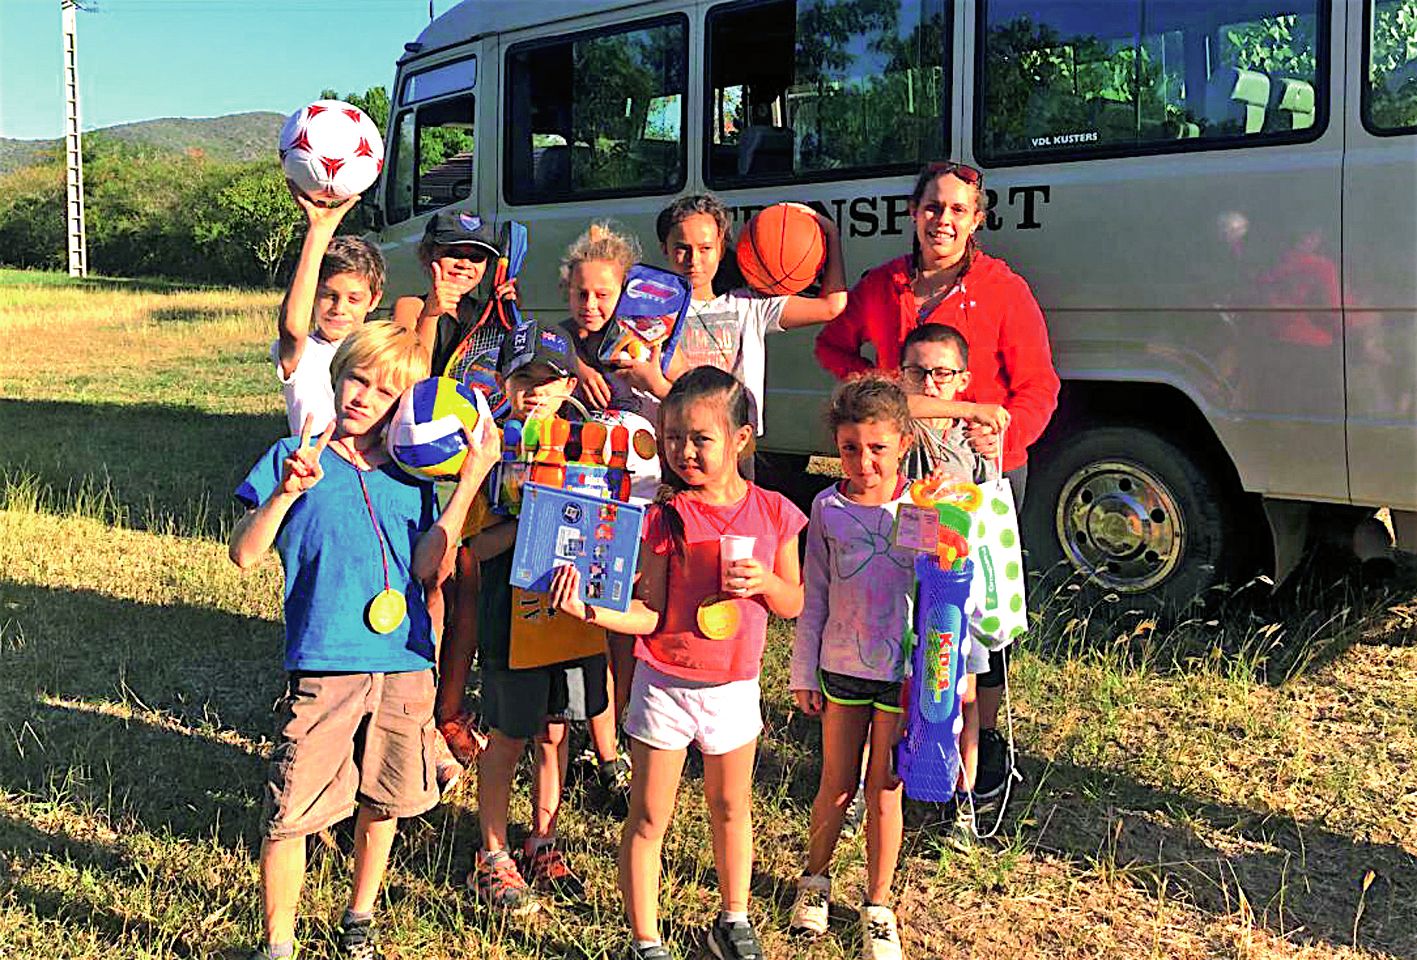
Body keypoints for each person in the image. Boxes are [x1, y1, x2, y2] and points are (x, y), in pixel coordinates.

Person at [229, 323, 499, 960]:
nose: (361, 398)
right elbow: (243, 553)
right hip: (326, 663)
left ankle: (360, 920)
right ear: (337, 373)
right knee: (291, 807)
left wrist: (467, 482)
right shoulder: (293, 455)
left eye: (382, 392)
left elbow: (431, 567)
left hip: (404, 663)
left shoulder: (416, 476)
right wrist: (286, 494)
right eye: (356, 378)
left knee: (385, 798)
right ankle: (279, 943)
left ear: (402, 406)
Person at [814, 161, 1060, 798]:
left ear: (977, 219)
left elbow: (1038, 386)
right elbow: (833, 348)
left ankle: (982, 746)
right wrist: (867, 395)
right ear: (913, 213)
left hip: (981, 481)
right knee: (911, 609)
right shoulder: (883, 285)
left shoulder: (1004, 289)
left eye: (957, 210)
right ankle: (913, 737)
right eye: (931, 207)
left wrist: (1005, 433)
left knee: (978, 621)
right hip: (903, 479)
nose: (942, 220)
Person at [552, 366, 807, 960]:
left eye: (700, 438)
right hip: (664, 685)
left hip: (735, 687)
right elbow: (650, 614)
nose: (683, 452)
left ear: (740, 439)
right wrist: (592, 612)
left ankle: (733, 921)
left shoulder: (775, 514)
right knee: (648, 816)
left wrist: (766, 581)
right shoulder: (667, 516)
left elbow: (793, 603)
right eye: (672, 438)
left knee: (730, 808)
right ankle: (646, 941)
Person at [466, 319, 611, 915]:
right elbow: (472, 547)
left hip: (572, 618)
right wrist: (529, 520)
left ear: (567, 385)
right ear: (504, 381)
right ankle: (493, 855)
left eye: (549, 381)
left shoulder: (592, 444)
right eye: (524, 379)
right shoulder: (489, 449)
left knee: (556, 731)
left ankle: (542, 840)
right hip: (511, 615)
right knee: (508, 735)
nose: (536, 392)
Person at [788, 374, 919, 960]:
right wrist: (802, 671)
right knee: (835, 785)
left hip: (904, 675)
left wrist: (952, 675)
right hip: (840, 668)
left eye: (878, 448)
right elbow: (813, 592)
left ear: (904, 442)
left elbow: (947, 597)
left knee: (884, 790)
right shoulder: (827, 507)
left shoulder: (928, 507)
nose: (864, 462)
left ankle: (878, 905)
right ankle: (814, 881)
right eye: (849, 448)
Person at [390, 209, 518, 786]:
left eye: (477, 256)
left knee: (468, 593)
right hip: (420, 473)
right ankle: (417, 710)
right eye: (452, 252)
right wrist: (436, 312)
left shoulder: (497, 317)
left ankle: (447, 709)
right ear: (427, 257)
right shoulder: (411, 310)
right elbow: (409, 374)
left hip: (476, 473)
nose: (463, 264)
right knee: (428, 590)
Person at [556, 221, 661, 812]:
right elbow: (535, 354)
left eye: (603, 294)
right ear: (567, 289)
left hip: (634, 508)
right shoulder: (555, 341)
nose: (591, 304)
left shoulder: (642, 344)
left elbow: (672, 405)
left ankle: (620, 734)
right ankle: (601, 747)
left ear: (624, 292)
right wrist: (573, 366)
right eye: (581, 293)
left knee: (620, 623)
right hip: (576, 506)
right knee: (585, 626)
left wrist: (644, 376)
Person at [895, 323, 999, 810]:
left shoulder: (971, 441)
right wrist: (971, 407)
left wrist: (990, 448)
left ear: (963, 378)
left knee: (963, 690)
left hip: (957, 590)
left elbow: (991, 511)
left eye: (943, 373)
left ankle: (965, 795)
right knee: (901, 684)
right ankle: (882, 785)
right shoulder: (898, 428)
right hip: (903, 584)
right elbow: (908, 406)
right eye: (918, 372)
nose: (930, 383)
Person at [658, 194, 848, 440]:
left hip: (736, 440)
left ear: (721, 246)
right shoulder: (657, 311)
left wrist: (830, 232)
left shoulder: (750, 306)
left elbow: (832, 305)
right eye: (682, 248)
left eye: (705, 248)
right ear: (665, 249)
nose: (694, 260)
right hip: (680, 440)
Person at [271, 190, 384, 435]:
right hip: (316, 462)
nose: (339, 308)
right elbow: (292, 329)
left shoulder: (381, 351)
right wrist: (319, 232)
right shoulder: (305, 353)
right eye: (328, 295)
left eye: (354, 298)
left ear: (374, 300)